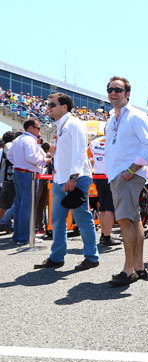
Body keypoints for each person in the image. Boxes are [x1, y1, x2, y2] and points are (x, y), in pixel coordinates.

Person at [33, 94, 99, 270]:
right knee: (57, 221)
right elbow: (65, 153)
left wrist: (73, 177)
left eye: (52, 105)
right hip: (60, 179)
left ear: (64, 107)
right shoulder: (61, 126)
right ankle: (57, 257)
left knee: (82, 219)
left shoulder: (74, 124)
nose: (49, 108)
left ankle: (92, 257)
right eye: (48, 105)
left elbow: (79, 152)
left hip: (75, 179)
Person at [104, 76, 148, 286]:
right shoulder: (111, 118)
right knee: (133, 220)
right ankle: (138, 266)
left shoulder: (135, 115)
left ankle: (128, 270)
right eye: (110, 89)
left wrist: (131, 169)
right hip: (118, 174)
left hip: (127, 175)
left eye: (118, 89)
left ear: (127, 93)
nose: (113, 93)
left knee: (126, 220)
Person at [7, 119, 49, 246]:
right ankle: (26, 236)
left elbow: (10, 156)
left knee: (20, 205)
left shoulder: (18, 139)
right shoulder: (30, 140)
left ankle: (19, 235)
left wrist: (20, 164)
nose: (39, 130)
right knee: (27, 206)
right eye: (37, 128)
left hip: (19, 172)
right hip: (27, 174)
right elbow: (31, 157)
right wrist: (44, 161)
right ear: (30, 128)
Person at [89, 134, 121, 247]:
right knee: (109, 208)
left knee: (103, 207)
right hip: (109, 176)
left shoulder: (95, 141)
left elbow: (89, 156)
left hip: (97, 175)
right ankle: (106, 236)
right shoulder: (115, 142)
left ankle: (104, 234)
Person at [0, 132, 17, 224]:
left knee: (6, 204)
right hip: (7, 180)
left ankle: (6, 224)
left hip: (6, 179)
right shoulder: (8, 146)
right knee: (5, 205)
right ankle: (3, 223)